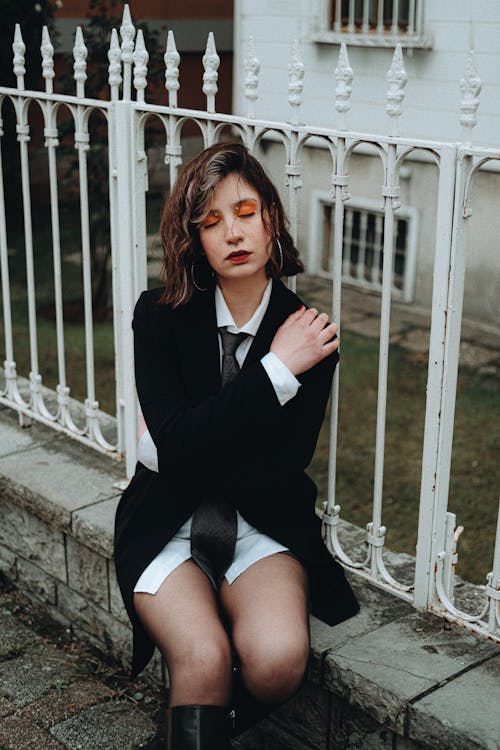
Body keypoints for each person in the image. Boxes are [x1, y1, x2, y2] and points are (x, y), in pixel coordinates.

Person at [114, 142, 359, 749]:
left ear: (271, 218)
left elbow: (277, 467)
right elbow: (174, 445)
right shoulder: (160, 317)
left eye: (246, 211)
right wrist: (275, 372)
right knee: (203, 657)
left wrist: (179, 445)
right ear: (194, 239)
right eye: (212, 221)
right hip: (166, 520)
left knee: (277, 661)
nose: (233, 232)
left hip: (259, 521)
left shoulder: (312, 336)